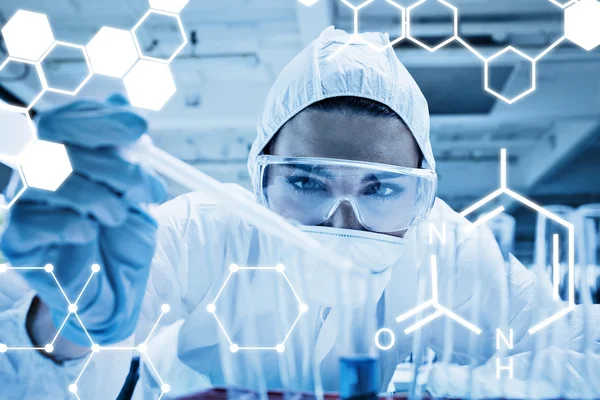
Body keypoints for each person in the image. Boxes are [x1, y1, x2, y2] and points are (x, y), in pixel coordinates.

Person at [0, 28, 598, 399]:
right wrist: (60, 331)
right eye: (308, 181)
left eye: (382, 189)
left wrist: (447, 387)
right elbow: (49, 370)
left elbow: (573, 353)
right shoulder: (201, 231)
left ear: (424, 193)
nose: (343, 221)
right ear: (261, 175)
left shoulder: (455, 252)